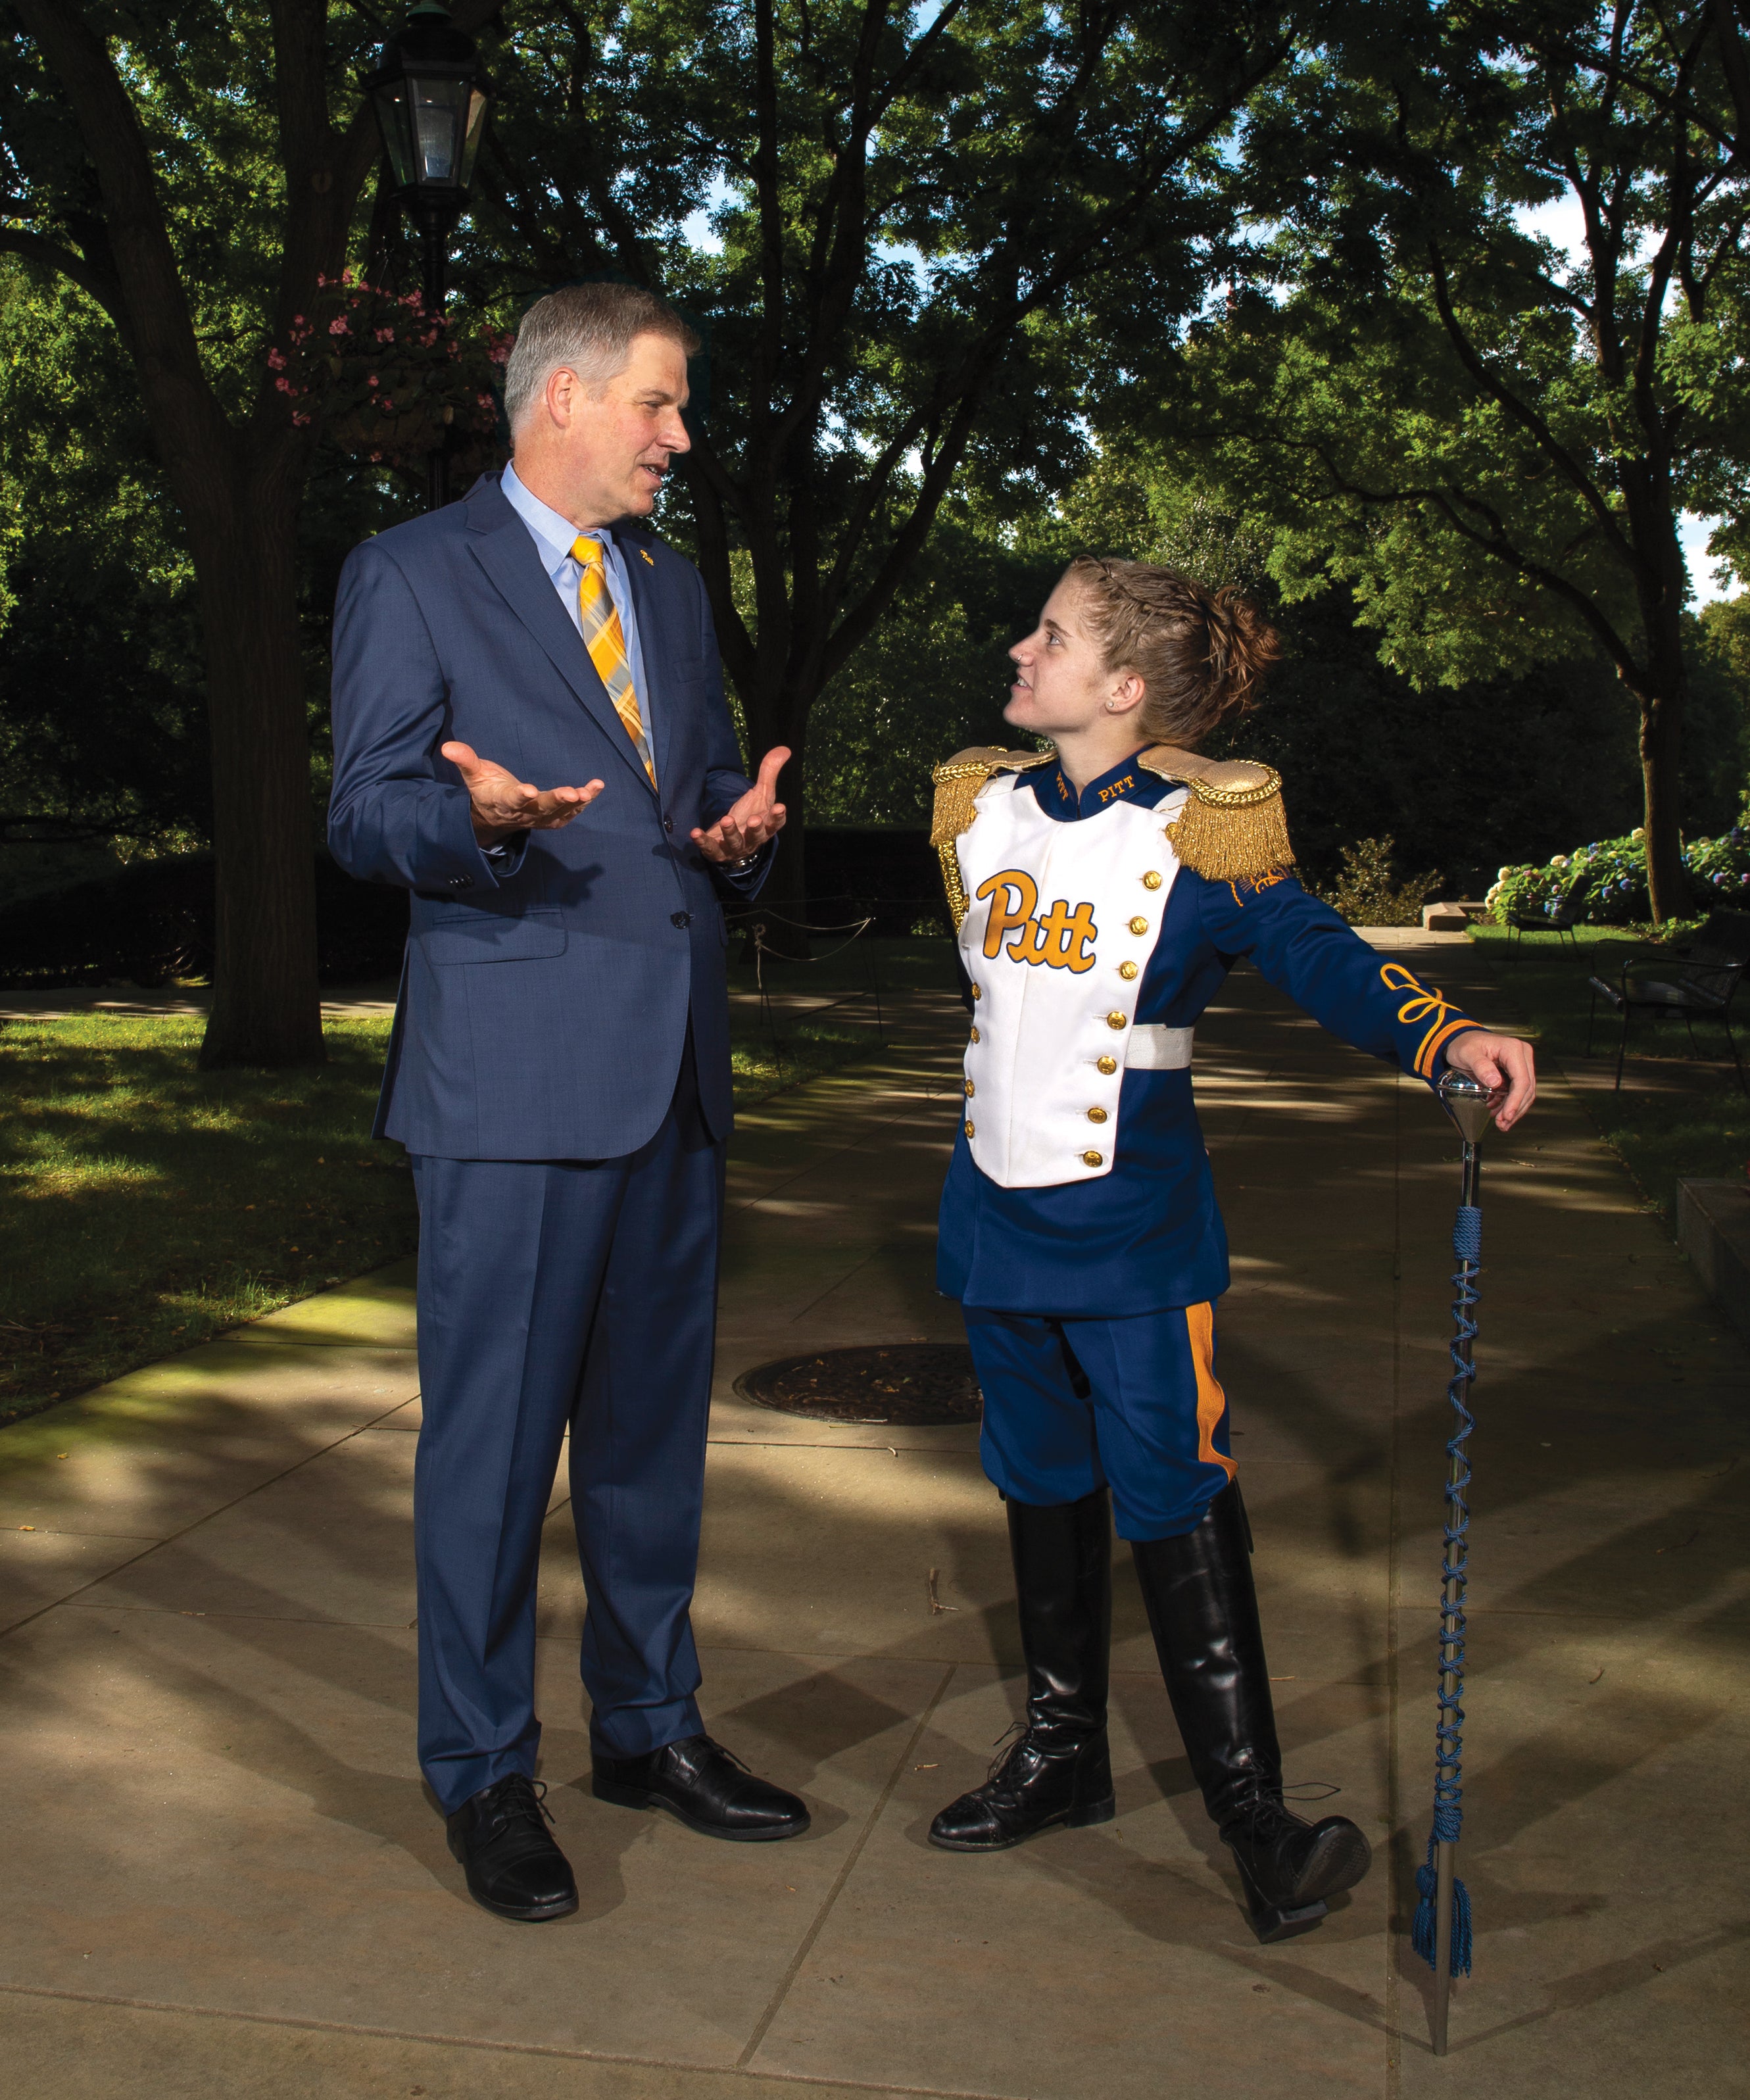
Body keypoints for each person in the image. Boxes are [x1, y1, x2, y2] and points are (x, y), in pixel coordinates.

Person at [925, 556, 1535, 1943]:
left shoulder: (1205, 832)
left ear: (1123, 689)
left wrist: (1441, 1032)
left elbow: (1317, 951)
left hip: (1133, 1233)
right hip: (992, 1219)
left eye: (1053, 636)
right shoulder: (981, 807)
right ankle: (1060, 1751)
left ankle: (1254, 1821)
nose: (1021, 647)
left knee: (1173, 1489)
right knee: (1034, 1481)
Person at [329, 283, 808, 1924]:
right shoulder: (408, 570)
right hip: (513, 1086)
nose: (680, 437)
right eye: (661, 406)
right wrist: (489, 825)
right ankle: (479, 1773)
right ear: (566, 403)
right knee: (490, 1454)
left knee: (648, 1446)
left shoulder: (664, 590)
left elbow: (690, 792)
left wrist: (731, 840)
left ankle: (647, 1727)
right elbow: (366, 809)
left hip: (670, 1071)